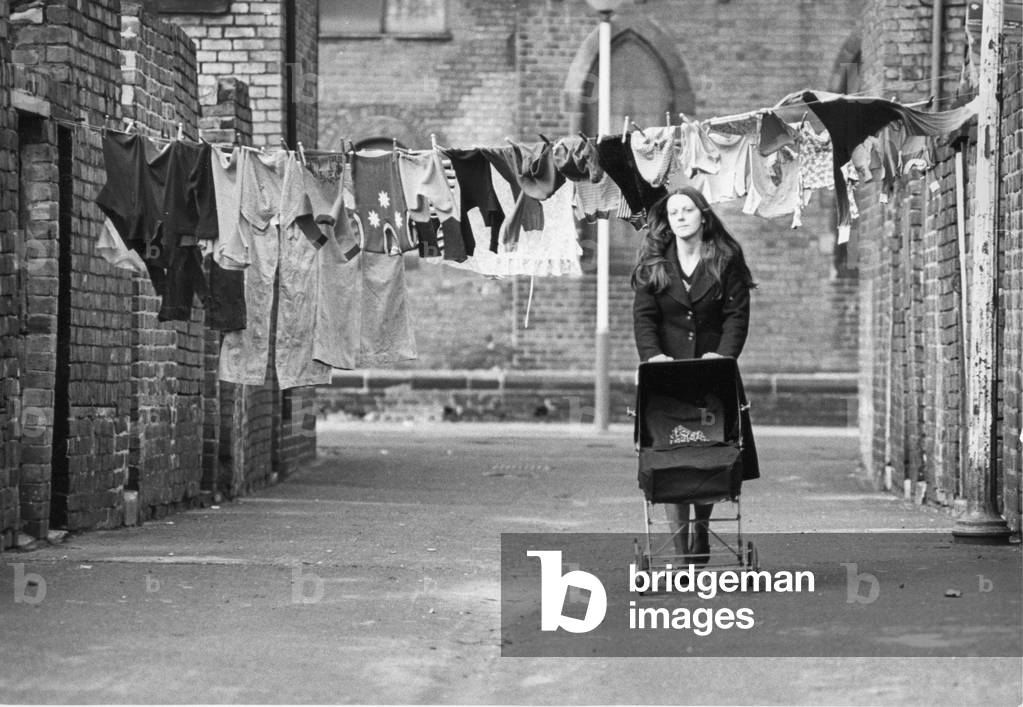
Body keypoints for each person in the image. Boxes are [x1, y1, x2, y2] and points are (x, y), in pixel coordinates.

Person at [631, 186, 759, 566]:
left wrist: (723, 356)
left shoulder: (725, 260)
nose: (681, 217)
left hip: (712, 375)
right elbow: (644, 318)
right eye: (674, 213)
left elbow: (737, 315)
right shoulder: (653, 264)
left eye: (687, 210)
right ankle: (680, 552)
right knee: (670, 457)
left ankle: (701, 529)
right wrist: (652, 357)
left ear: (703, 215)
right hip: (666, 378)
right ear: (668, 221)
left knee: (708, 452)